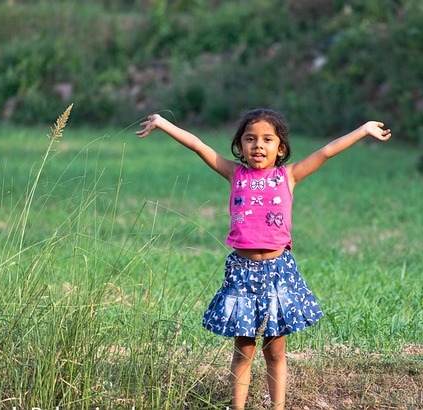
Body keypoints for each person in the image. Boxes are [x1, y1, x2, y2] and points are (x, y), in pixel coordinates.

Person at [136, 108, 391, 409]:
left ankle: (278, 407)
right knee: (243, 350)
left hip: (277, 271)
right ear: (240, 146)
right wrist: (163, 123)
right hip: (242, 273)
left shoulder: (289, 176)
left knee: (275, 351)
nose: (258, 145)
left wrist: (362, 130)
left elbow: (326, 152)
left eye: (267, 139)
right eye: (250, 139)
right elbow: (198, 145)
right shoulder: (235, 174)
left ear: (280, 147)